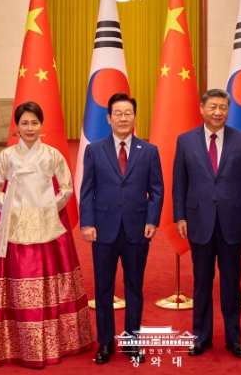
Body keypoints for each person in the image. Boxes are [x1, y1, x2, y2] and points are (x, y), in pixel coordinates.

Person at [0, 101, 94, 368]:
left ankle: (56, 341)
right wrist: (9, 207)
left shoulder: (52, 155)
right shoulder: (7, 156)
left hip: (46, 226)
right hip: (13, 226)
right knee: (14, 279)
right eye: (25, 123)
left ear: (41, 125)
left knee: (51, 277)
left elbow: (66, 187)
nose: (30, 128)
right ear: (17, 126)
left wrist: (46, 208)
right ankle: (13, 344)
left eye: (34, 122)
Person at [173, 88, 241, 359]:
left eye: (223, 107)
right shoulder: (185, 140)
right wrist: (180, 216)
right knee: (202, 282)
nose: (217, 112)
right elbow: (179, 183)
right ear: (202, 109)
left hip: (233, 221)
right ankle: (201, 337)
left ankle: (234, 338)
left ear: (228, 110)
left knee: (231, 284)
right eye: (212, 107)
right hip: (198, 221)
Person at [79, 92, 164, 365]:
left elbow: (157, 190)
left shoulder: (148, 151)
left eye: (128, 113)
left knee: (134, 288)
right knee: (103, 288)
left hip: (137, 230)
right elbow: (87, 190)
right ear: (109, 118)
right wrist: (87, 223)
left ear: (135, 117)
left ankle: (132, 342)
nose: (123, 118)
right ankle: (105, 342)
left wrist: (152, 220)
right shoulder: (95, 150)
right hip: (103, 230)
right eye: (118, 113)